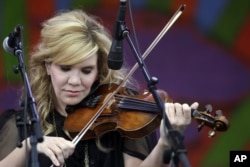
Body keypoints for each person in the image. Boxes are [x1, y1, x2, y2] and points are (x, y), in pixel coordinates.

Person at [0, 9, 198, 167]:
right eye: (65, 68)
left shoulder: (124, 116)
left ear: (99, 70)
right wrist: (29, 145)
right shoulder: (21, 124)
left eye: (86, 71)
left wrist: (165, 144)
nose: (75, 81)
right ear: (48, 66)